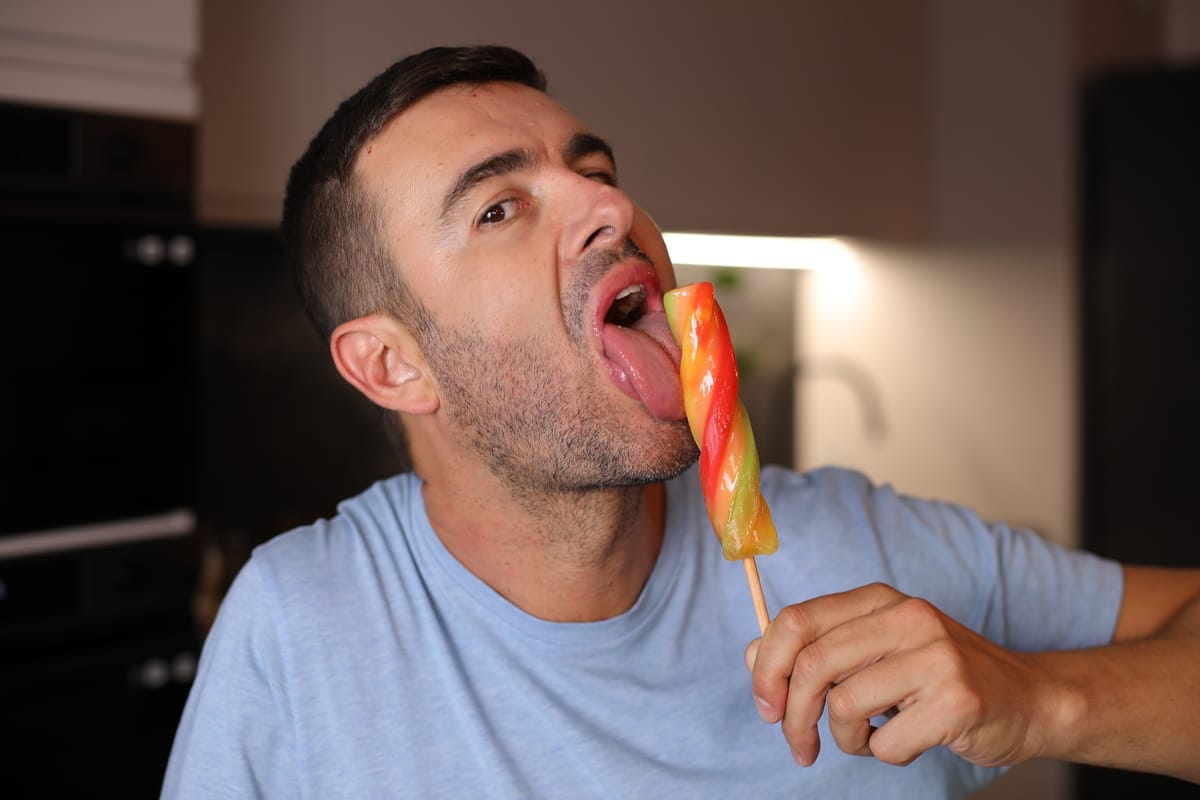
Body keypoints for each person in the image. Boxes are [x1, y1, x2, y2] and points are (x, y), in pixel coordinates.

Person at [162, 45, 1200, 798]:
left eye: (595, 172)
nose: (611, 208)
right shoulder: (303, 627)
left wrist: (1040, 698)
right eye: (498, 208)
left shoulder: (869, 549)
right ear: (393, 364)